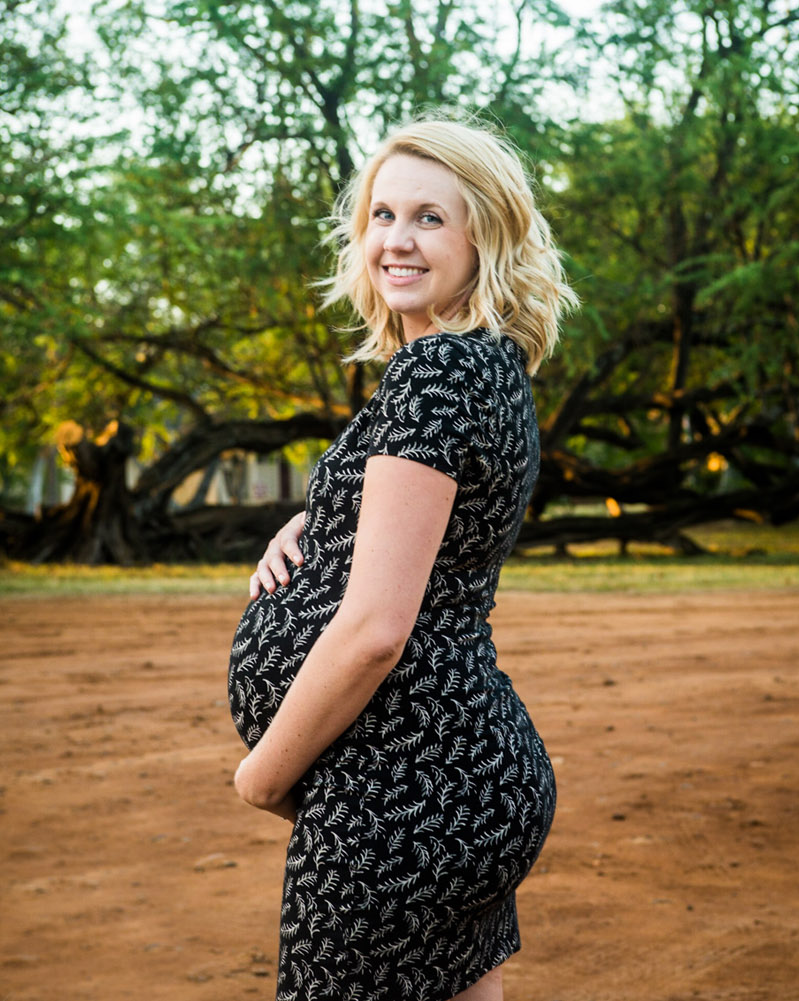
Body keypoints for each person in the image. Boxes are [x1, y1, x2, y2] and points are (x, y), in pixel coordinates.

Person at [227, 113, 577, 1001]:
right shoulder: (481, 368)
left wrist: (264, 771)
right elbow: (437, 546)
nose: (397, 239)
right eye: (383, 214)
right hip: (458, 781)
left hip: (407, 792)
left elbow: (379, 628)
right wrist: (322, 524)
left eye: (429, 217)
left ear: (483, 237)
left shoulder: (437, 376)